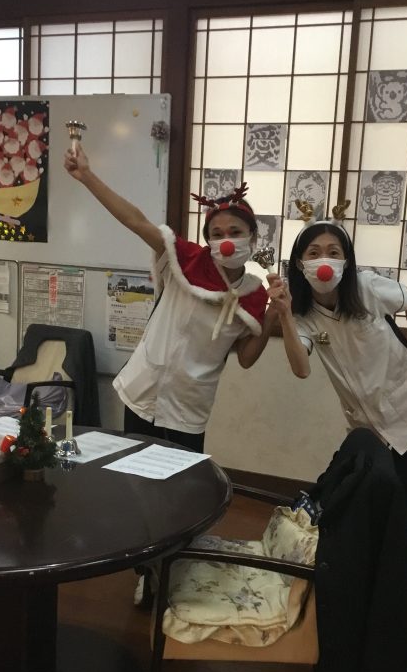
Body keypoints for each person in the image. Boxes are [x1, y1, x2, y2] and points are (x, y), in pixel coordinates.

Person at [64, 145, 274, 452]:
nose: (226, 241)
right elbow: (136, 221)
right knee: (136, 468)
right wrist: (87, 176)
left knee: (182, 475)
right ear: (208, 240)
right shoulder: (185, 260)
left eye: (235, 232)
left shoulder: (254, 294)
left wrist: (274, 314)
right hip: (145, 388)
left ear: (252, 237)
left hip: (190, 404)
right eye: (217, 234)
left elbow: (246, 358)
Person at [267, 214, 407, 510]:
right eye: (314, 253)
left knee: (394, 507)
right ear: (299, 263)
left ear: (346, 261)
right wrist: (284, 315)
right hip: (366, 426)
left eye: (333, 252)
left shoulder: (367, 287)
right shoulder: (302, 314)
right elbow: (301, 369)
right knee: (353, 500)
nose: (324, 261)